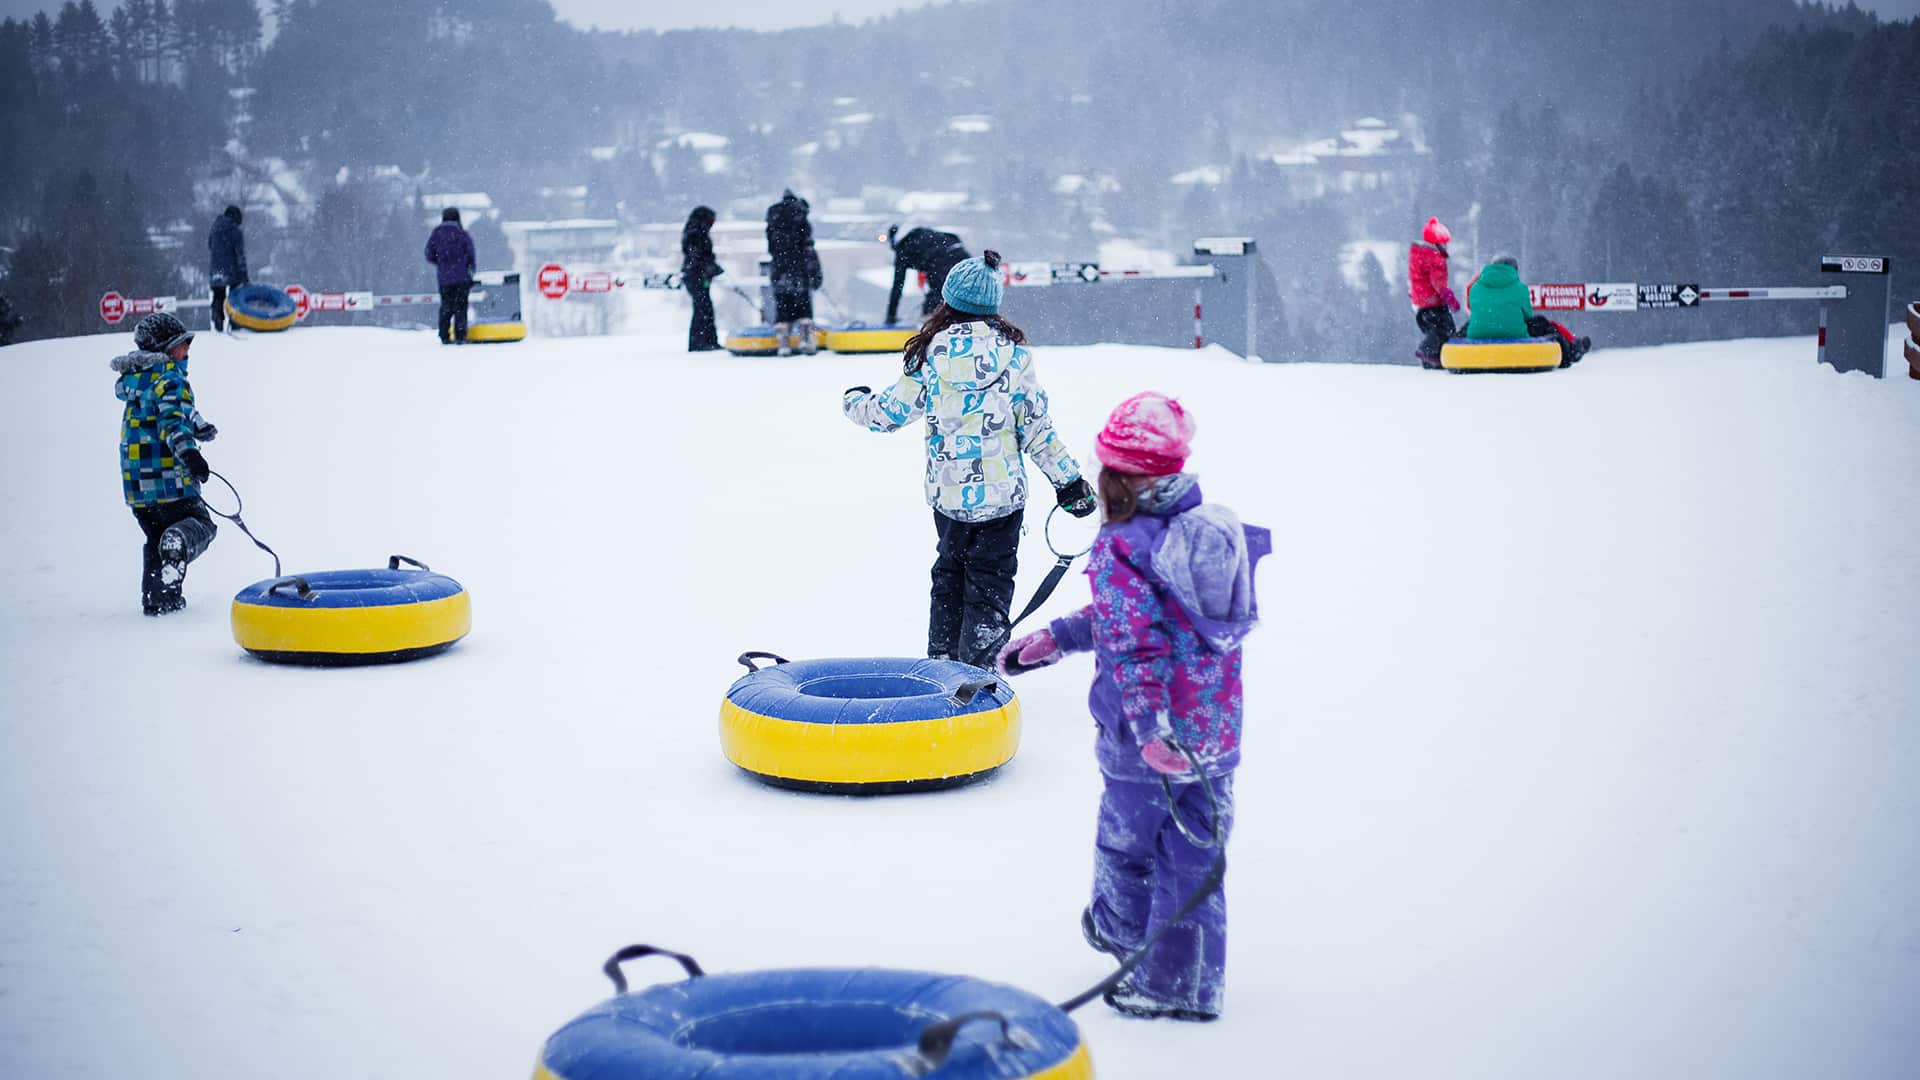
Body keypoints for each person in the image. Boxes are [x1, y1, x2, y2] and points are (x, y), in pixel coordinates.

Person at [995, 392, 1269, 1022]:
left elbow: (1137, 644)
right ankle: (1185, 984)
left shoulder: (1124, 545)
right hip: (1212, 737)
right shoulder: (1206, 533)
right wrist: (1059, 637)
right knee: (1194, 862)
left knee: (1127, 851)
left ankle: (1124, 940)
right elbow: (1142, 618)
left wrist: (1149, 728)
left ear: (1121, 475)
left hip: (1143, 742)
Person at [842, 250, 1097, 667]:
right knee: (991, 581)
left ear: (949, 300)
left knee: (949, 574)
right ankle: (980, 667)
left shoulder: (930, 356)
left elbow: (888, 414)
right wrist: (1069, 483)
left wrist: (855, 401)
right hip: (1002, 500)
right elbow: (1037, 429)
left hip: (949, 497)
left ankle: (943, 662)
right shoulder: (1014, 358)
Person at [114, 312, 218, 616]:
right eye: (182, 344)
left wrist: (197, 425)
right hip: (170, 481)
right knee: (200, 525)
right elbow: (171, 424)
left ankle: (159, 600)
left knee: (156, 538)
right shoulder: (170, 378)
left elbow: (163, 413)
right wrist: (190, 455)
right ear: (165, 349)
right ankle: (178, 540)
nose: (187, 350)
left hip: (138, 487)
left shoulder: (137, 381)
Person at [1462, 255, 1591, 367]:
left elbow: (1475, 311)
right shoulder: (1520, 288)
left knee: (1472, 323)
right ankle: (1572, 350)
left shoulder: (1476, 287)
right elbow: (1528, 315)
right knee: (1540, 321)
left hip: (1479, 334)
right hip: (1514, 334)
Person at [765, 189, 822, 356]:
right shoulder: (801, 218)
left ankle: (783, 344)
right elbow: (808, 248)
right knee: (803, 305)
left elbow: (770, 247)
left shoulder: (773, 218)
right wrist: (815, 273)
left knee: (782, 305)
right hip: (799, 268)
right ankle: (806, 341)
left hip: (779, 267)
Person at [884, 223, 970, 326]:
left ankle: (930, 326)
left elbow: (898, 284)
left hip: (942, 263)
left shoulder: (904, 246)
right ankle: (969, 320)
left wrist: (891, 316)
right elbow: (954, 237)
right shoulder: (924, 234)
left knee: (936, 299)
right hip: (963, 258)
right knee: (964, 293)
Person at [1407, 215, 1459, 369]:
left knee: (1434, 330)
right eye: (1445, 243)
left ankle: (1433, 360)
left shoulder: (1418, 256)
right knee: (1445, 329)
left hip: (1421, 305)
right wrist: (1450, 298)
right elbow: (1439, 283)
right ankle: (1427, 351)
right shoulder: (1435, 258)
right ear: (1438, 243)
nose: (1447, 246)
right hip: (1434, 303)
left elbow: (1415, 280)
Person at [425, 207, 477, 345]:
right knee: (461, 306)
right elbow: (471, 254)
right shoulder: (462, 234)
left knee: (446, 306)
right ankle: (460, 336)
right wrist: (469, 269)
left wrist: (441, 263)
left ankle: (444, 335)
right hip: (462, 277)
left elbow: (429, 254)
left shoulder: (436, 234)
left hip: (444, 278)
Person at [681, 205, 724, 352]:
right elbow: (696, 256)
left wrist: (711, 266)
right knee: (702, 308)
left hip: (699, 276)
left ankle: (708, 341)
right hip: (696, 276)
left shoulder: (697, 232)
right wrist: (708, 266)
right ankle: (700, 342)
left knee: (705, 308)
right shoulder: (695, 233)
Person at [207, 205, 247, 333]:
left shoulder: (214, 228)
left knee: (218, 295)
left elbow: (210, 246)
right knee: (235, 295)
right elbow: (240, 254)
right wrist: (244, 274)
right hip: (231, 269)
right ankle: (235, 322)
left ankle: (217, 318)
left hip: (215, 270)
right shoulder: (235, 231)